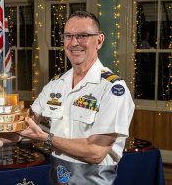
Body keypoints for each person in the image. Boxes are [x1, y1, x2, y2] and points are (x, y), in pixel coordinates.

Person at [20, 11, 134, 184]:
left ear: (99, 40)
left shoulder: (112, 89)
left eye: (82, 36)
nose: (74, 43)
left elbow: (96, 153)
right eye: (68, 36)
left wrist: (47, 137)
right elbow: (26, 123)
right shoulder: (56, 84)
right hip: (56, 178)